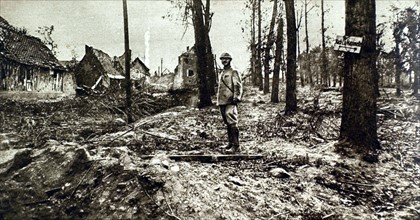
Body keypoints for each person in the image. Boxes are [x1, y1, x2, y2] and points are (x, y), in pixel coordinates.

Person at [216, 52, 243, 153]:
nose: (224, 61)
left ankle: (236, 146)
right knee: (227, 122)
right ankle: (230, 143)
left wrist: (237, 97)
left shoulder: (233, 71)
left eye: (226, 59)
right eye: (222, 59)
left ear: (230, 60)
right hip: (222, 101)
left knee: (232, 121)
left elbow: (237, 85)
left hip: (231, 100)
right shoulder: (222, 72)